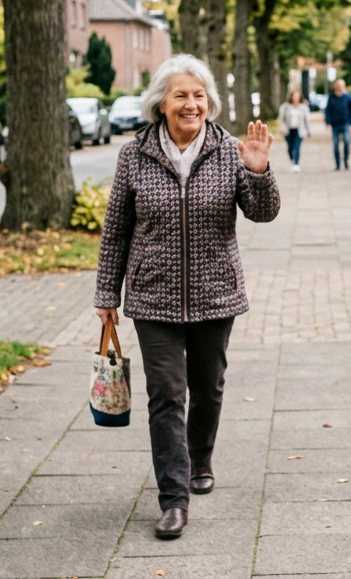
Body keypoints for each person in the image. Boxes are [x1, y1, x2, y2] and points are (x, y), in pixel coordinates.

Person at [93, 55, 281, 541]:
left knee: (209, 386)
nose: (191, 104)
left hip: (215, 292)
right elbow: (116, 230)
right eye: (181, 95)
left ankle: (201, 457)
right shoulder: (134, 154)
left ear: (210, 103)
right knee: (165, 396)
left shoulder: (227, 150)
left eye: (198, 96)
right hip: (153, 296)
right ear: (161, 102)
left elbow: (263, 214)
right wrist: (106, 292)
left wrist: (259, 173)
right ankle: (173, 499)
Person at [324, 79, 351, 170]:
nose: (339, 87)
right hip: (335, 124)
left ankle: (345, 161)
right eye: (338, 85)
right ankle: (338, 164)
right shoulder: (331, 96)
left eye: (341, 85)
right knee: (336, 145)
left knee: (346, 142)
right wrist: (328, 122)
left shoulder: (348, 96)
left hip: (345, 123)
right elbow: (327, 110)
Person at [278, 90, 311, 172]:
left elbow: (306, 120)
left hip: (299, 130)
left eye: (297, 96)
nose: (296, 98)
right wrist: (282, 130)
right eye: (294, 96)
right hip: (288, 130)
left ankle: (296, 164)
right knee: (290, 148)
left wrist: (308, 131)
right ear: (291, 97)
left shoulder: (303, 107)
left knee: (297, 147)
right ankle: (293, 159)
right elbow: (282, 119)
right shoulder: (285, 107)